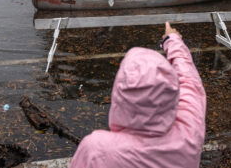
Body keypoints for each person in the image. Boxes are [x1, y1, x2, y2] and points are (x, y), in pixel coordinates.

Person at [70, 22, 207, 168]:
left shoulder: (96, 149)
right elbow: (188, 79)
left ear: (119, 91)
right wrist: (172, 40)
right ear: (172, 90)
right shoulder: (190, 128)